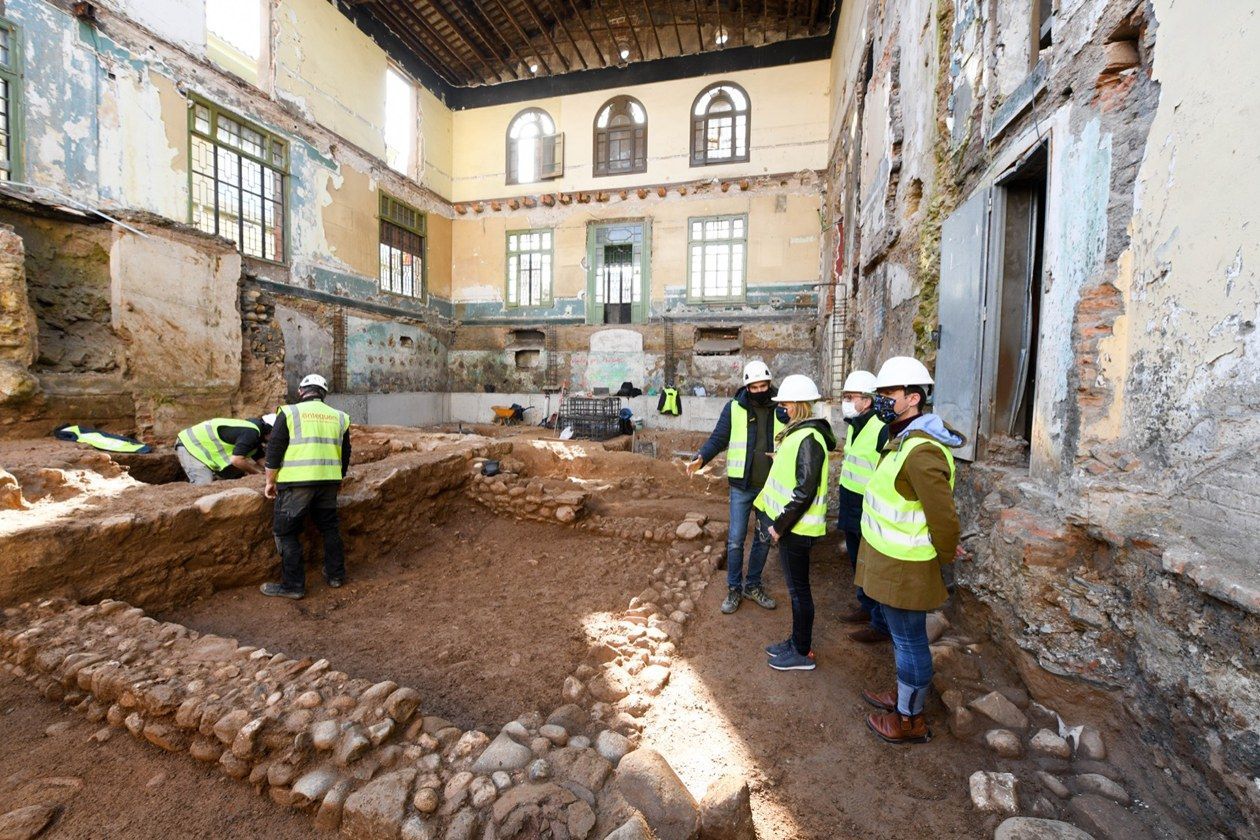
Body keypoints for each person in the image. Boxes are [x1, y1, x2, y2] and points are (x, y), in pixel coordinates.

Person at [856, 356, 964, 744]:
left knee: (909, 641)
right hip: (892, 560)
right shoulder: (901, 440)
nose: (880, 400)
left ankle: (909, 720)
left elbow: (943, 516)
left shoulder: (921, 451)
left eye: (888, 393)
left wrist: (947, 552)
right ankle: (904, 698)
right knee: (904, 639)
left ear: (913, 398)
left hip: (906, 565)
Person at [688, 361, 782, 614]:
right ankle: (733, 589)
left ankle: (752, 586)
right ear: (747, 387)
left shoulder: (782, 408)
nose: (760, 390)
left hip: (770, 488)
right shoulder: (734, 408)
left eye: (764, 385)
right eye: (755, 387)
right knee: (736, 541)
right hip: (741, 486)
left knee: (763, 539)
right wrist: (702, 457)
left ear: (769, 384)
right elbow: (719, 438)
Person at [756, 374, 835, 671]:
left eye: (787, 403)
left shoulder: (809, 439)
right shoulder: (799, 434)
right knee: (797, 590)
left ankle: (802, 652)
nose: (783, 408)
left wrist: (779, 526)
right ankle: (796, 641)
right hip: (793, 527)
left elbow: (805, 490)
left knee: (799, 591)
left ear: (800, 405)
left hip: (796, 529)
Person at [260, 374, 352, 600]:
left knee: (286, 531)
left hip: (297, 483)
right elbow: (345, 453)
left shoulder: (290, 412)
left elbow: (274, 451)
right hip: (328, 481)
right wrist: (338, 478)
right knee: (330, 528)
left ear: (301, 391)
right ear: (324, 394)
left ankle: (293, 585)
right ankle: (336, 576)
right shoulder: (340, 417)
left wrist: (270, 481)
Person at [834, 371, 891, 643]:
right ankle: (866, 607)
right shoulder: (855, 424)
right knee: (858, 561)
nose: (846, 401)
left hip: (869, 508)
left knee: (872, 566)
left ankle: (879, 624)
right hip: (851, 504)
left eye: (850, 397)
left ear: (867, 401)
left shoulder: (881, 428)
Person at [174, 415, 275, 485]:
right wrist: (257, 473)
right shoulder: (251, 433)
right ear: (269, 430)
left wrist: (273, 470)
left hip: (203, 449)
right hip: (190, 445)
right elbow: (237, 460)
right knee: (203, 485)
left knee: (237, 476)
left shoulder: (255, 433)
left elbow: (261, 458)